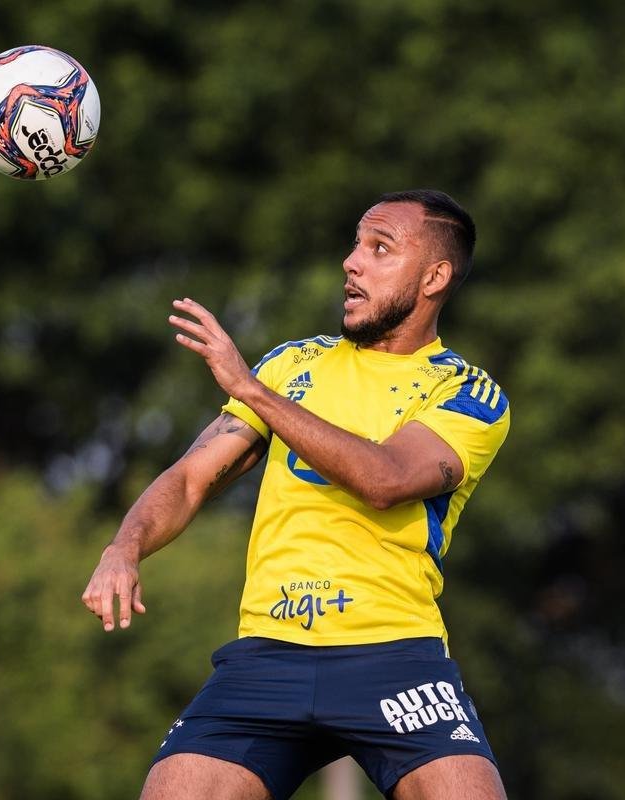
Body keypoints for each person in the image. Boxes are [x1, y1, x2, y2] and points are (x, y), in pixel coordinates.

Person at [82, 190, 511, 800]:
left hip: (393, 656)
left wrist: (253, 393)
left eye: (379, 248)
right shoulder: (290, 366)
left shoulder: (467, 392)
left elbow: (385, 480)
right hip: (267, 657)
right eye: (355, 244)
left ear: (435, 277)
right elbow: (190, 477)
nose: (351, 262)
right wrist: (123, 547)